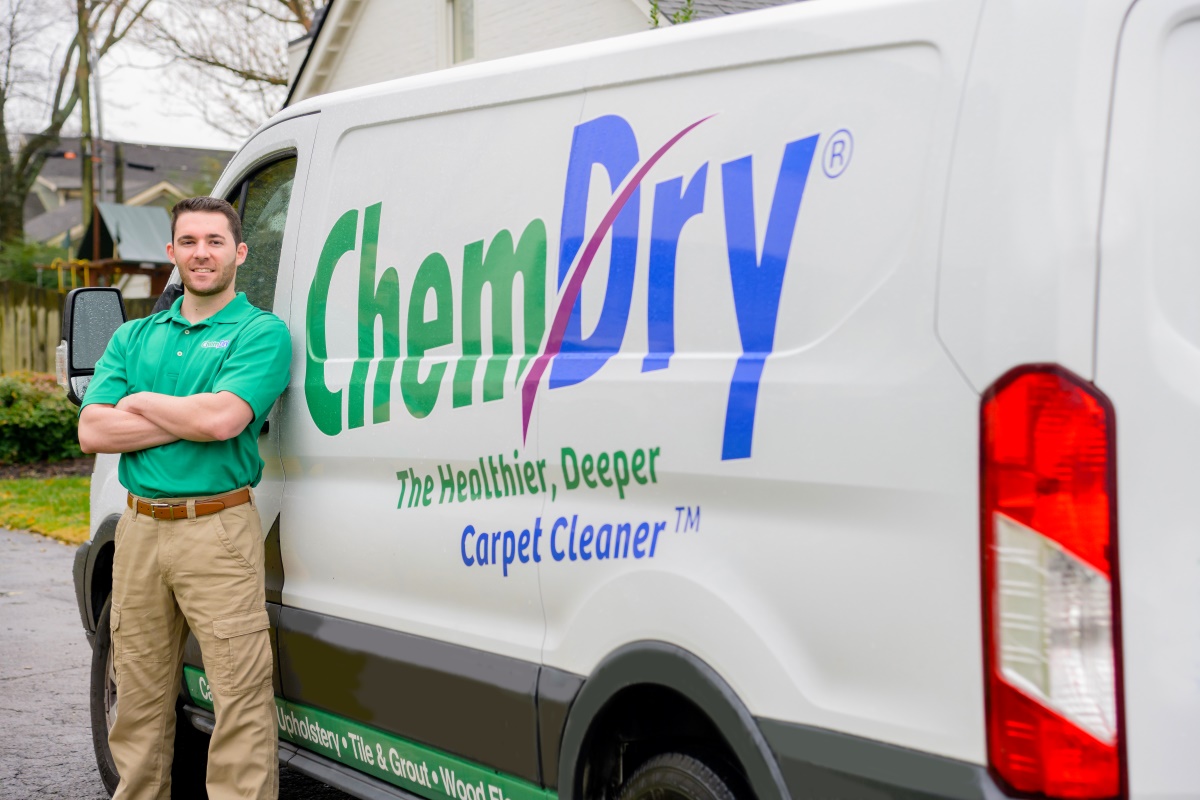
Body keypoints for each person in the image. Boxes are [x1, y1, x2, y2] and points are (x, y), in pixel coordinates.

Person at [78, 196, 291, 800]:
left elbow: (225, 419)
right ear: (171, 253)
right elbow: (93, 430)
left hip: (217, 530)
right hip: (141, 529)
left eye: (216, 241)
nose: (202, 253)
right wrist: (191, 415)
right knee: (138, 699)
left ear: (239, 253)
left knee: (239, 701)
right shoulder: (132, 336)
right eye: (190, 241)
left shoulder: (261, 333)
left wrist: (139, 402)